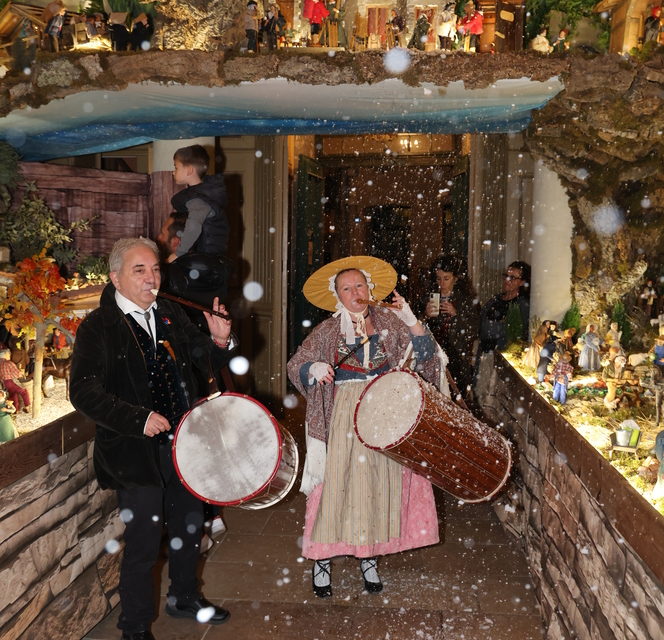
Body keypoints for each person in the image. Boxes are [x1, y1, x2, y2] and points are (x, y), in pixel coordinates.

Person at [70, 238, 235, 640]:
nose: (152, 277)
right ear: (115, 278)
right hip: (133, 452)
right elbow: (84, 393)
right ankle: (134, 626)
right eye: (139, 270)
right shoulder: (98, 327)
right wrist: (138, 418)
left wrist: (217, 340)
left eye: (156, 269)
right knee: (144, 542)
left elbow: (202, 361)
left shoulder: (171, 314)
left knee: (189, 525)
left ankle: (183, 597)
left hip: (182, 445)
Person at [287, 256, 445, 599]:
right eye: (347, 288)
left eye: (360, 285)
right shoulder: (328, 330)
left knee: (375, 483)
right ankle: (322, 559)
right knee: (336, 485)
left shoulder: (391, 321)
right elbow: (296, 363)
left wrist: (414, 323)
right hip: (344, 414)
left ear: (370, 289)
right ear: (337, 296)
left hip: (385, 410)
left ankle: (368, 557)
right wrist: (313, 367)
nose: (355, 292)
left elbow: (428, 361)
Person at [169, 145, 230, 309]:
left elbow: (193, 226)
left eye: (176, 167)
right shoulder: (206, 194)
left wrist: (178, 253)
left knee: (197, 306)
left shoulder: (198, 199)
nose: (173, 172)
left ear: (189, 170)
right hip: (213, 261)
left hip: (207, 263)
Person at [422, 255, 478, 399]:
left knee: (456, 395)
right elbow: (418, 325)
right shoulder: (430, 295)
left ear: (456, 278)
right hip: (434, 353)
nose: (441, 283)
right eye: (438, 278)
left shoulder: (465, 298)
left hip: (457, 355)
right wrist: (426, 315)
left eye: (446, 278)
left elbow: (474, 328)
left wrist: (456, 315)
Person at [0, 349, 30, 413]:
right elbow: (17, 374)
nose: (10, 355)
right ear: (5, 355)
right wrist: (21, 372)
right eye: (9, 354)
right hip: (11, 382)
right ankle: (27, 408)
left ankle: (16, 410)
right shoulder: (9, 363)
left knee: (13, 395)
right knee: (24, 391)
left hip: (4, 383)